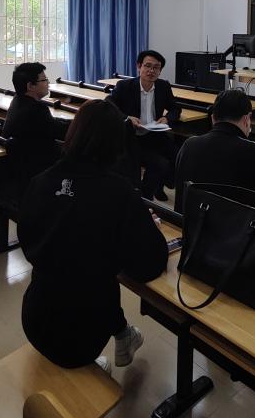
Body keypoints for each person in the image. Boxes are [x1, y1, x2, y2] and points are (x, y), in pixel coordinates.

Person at [18, 99, 168, 370]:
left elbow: (30, 238)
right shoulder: (119, 192)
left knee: (87, 271)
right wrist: (149, 230)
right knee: (96, 276)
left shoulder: (40, 181)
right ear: (115, 143)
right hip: (81, 333)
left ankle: (122, 334)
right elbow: (148, 266)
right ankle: (109, 349)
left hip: (34, 313)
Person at [175, 88, 255, 214]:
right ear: (247, 119)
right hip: (238, 226)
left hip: (193, 223)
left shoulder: (189, 145)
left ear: (213, 118)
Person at [106, 50, 181, 201]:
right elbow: (108, 104)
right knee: (158, 164)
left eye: (156, 67)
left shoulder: (163, 86)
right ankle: (145, 196)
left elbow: (175, 108)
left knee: (180, 155)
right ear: (139, 66)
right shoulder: (125, 86)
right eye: (147, 66)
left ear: (160, 71)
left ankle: (160, 186)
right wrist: (127, 118)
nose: (151, 71)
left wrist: (167, 118)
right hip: (131, 137)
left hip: (154, 135)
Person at [0, 62, 65, 207]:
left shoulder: (18, 101)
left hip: (20, 169)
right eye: (44, 80)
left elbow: (52, 124)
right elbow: (60, 132)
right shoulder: (37, 109)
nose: (48, 83)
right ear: (30, 86)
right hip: (38, 170)